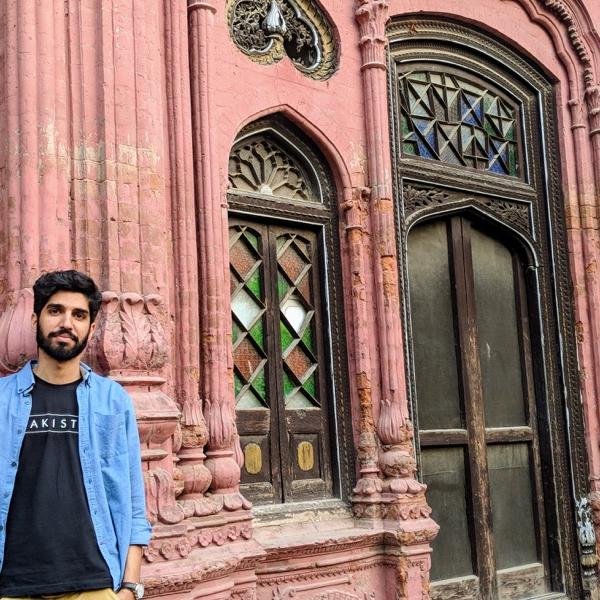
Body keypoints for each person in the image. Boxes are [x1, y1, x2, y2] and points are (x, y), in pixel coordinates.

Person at [0, 270, 151, 600]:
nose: (66, 322)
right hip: (13, 585)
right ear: (35, 318)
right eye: (55, 311)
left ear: (91, 328)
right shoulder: (2, 400)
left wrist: (130, 586)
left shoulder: (113, 400)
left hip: (94, 585)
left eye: (79, 315)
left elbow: (133, 501)